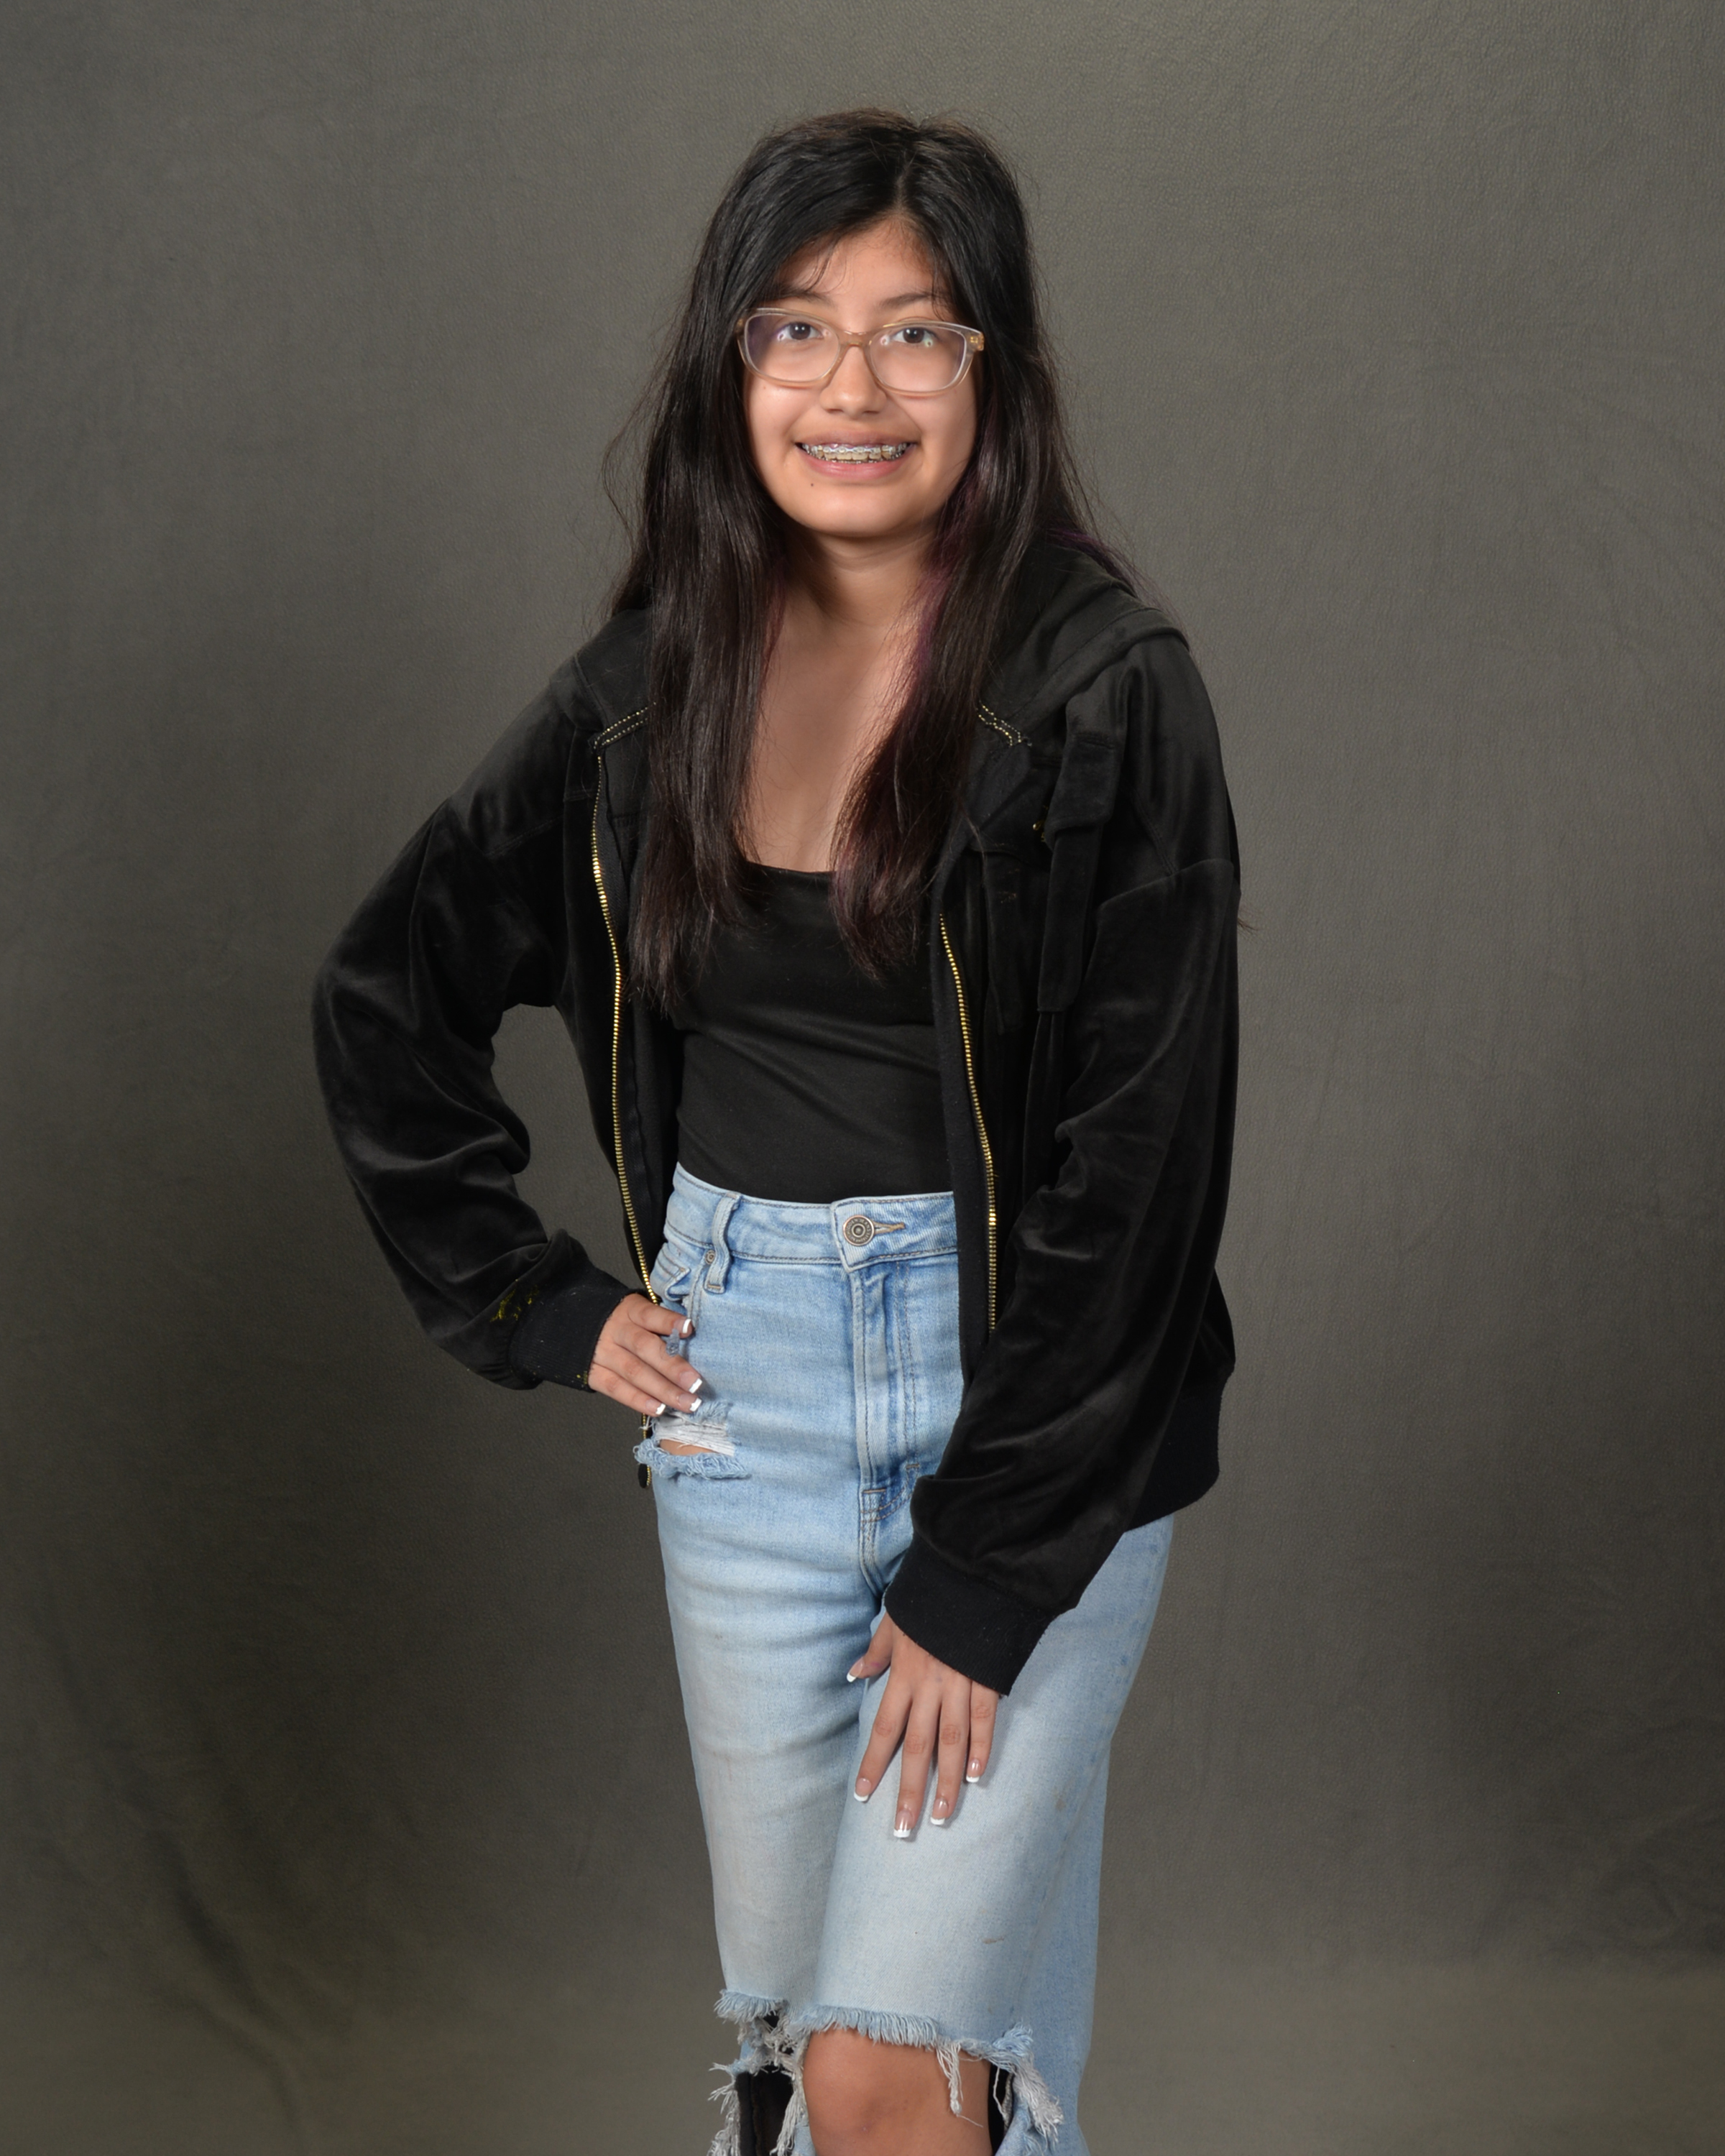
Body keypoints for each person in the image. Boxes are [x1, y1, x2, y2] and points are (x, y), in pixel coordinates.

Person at [313, 109, 1239, 2156]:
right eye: (798, 328)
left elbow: (1141, 1178)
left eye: (918, 332)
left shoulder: (1106, 690)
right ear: (731, 368)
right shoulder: (648, 694)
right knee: (823, 2059)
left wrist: (990, 1568)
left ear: (993, 371)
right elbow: (385, 996)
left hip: (1036, 1410)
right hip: (746, 1405)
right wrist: (537, 1301)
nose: (853, 387)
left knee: (875, 2067)